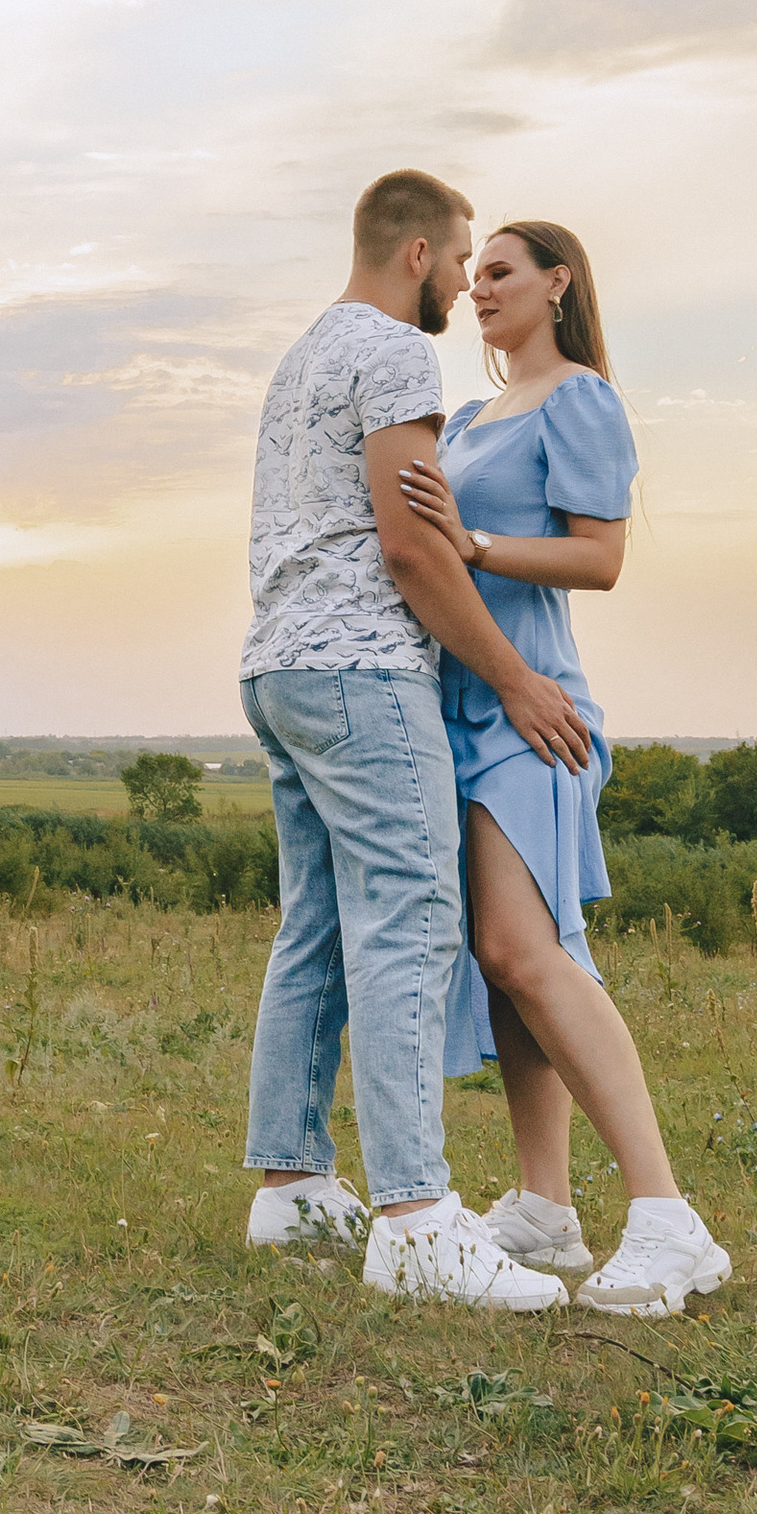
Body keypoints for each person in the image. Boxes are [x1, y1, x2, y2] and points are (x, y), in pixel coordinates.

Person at [239, 170, 596, 1314]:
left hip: (277, 663)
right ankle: (416, 1219)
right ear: (415, 258)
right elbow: (411, 547)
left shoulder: (302, 356)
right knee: (411, 917)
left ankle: (291, 1184)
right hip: (361, 672)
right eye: (456, 262)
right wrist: (516, 678)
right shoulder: (396, 353)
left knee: (319, 923)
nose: (460, 283)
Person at [398, 219, 732, 1318]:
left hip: (531, 711)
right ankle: (544, 1209)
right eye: (474, 271)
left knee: (524, 953)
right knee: (506, 964)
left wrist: (478, 547)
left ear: (557, 282)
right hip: (458, 713)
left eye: (500, 271)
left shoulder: (577, 397)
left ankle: (667, 1218)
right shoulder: (472, 416)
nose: (478, 286)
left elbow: (600, 556)